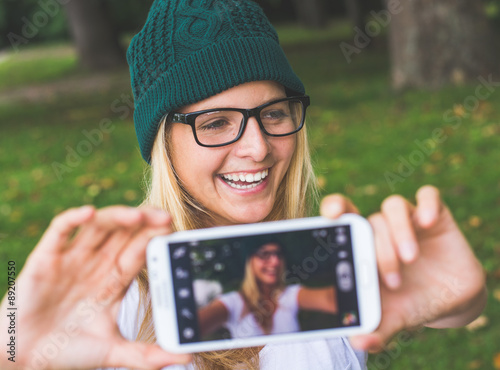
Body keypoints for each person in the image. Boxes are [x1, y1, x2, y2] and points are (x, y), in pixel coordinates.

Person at [0, 0, 487, 369]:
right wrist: (11, 349)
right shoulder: (114, 300)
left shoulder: (328, 266)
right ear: (162, 143)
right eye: (215, 123)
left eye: (273, 113)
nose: (257, 147)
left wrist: (460, 299)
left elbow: (445, 302)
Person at [197, 240, 337, 340]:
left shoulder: (289, 294)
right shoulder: (233, 302)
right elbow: (199, 323)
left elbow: (329, 299)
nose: (275, 261)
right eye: (264, 254)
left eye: (278, 254)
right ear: (249, 261)